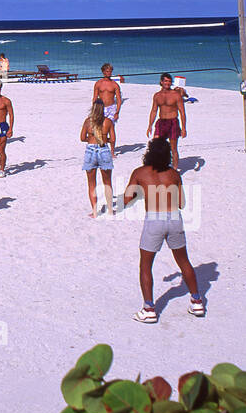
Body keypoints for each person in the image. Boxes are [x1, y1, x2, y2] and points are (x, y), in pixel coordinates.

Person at [122, 138, 205, 323]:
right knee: (184, 261)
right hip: (174, 218)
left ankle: (149, 308)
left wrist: (141, 192)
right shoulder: (174, 174)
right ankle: (197, 301)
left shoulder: (140, 173)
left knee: (146, 265)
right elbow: (181, 203)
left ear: (149, 152)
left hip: (154, 219)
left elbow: (127, 200)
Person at [80, 98, 116, 218]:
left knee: (91, 183)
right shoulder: (108, 122)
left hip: (90, 150)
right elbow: (113, 139)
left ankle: (95, 211)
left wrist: (90, 139)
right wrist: (106, 140)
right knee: (107, 182)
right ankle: (110, 209)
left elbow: (81, 137)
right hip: (104, 149)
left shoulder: (87, 121)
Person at [146, 73, 186, 166]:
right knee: (156, 146)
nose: (167, 83)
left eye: (169, 81)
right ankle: (157, 165)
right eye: (165, 81)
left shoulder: (176, 95)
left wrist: (183, 128)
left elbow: (182, 112)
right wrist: (150, 126)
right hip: (161, 122)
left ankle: (175, 169)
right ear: (161, 82)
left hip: (173, 122)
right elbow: (154, 111)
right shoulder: (157, 95)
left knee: (173, 148)